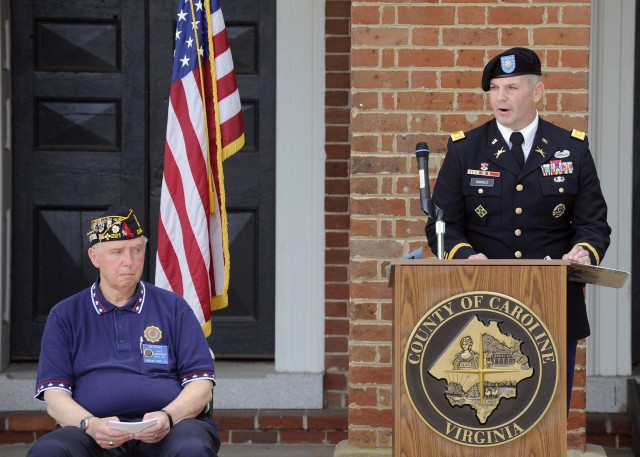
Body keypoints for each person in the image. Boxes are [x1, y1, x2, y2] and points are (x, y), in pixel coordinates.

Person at [425, 47, 611, 409]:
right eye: (494, 88)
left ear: (537, 92)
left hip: (552, 300)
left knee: (547, 410)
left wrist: (583, 251)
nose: (500, 98)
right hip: (481, 302)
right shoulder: (466, 149)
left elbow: (593, 223)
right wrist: (465, 255)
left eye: (511, 88)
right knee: (487, 414)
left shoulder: (570, 149)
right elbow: (441, 225)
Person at [28, 206, 220, 457]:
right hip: (91, 433)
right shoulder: (65, 315)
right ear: (95, 257)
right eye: (117, 252)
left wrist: (168, 417)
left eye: (136, 250)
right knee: (49, 451)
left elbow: (201, 384)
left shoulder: (174, 308)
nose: (129, 261)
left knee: (193, 448)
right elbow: (54, 397)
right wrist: (91, 425)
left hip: (170, 430)